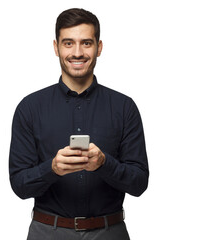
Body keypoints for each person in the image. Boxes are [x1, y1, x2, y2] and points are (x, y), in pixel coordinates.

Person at [9, 8, 149, 240]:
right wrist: (51, 168)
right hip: (47, 232)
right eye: (68, 43)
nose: (77, 52)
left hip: (109, 232)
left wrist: (105, 164)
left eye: (86, 43)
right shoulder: (29, 108)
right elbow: (19, 185)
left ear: (99, 47)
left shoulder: (125, 107)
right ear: (56, 48)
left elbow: (139, 183)